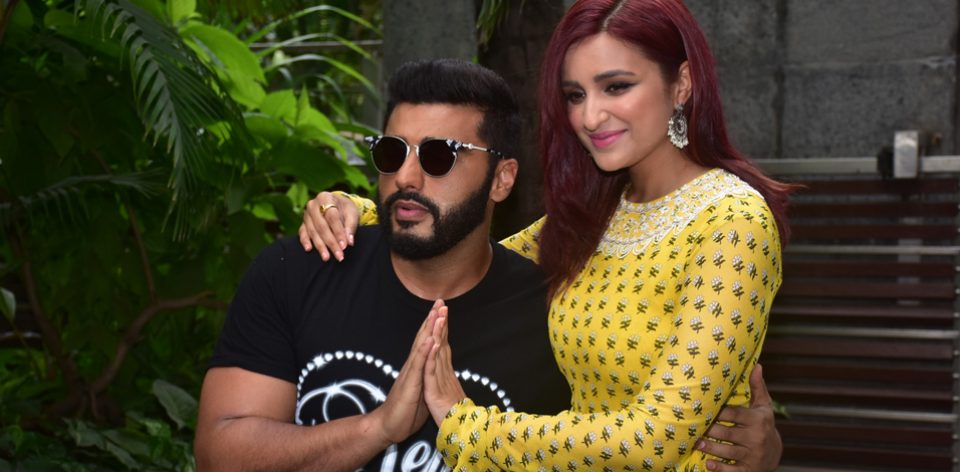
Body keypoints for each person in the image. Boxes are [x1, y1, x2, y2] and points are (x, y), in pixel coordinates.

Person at [297, 0, 792, 470]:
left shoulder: (732, 221)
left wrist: (465, 424)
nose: (590, 117)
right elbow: (474, 256)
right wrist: (356, 210)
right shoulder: (599, 214)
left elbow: (653, 439)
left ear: (681, 83)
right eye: (575, 95)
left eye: (616, 86)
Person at [194, 59, 573, 471]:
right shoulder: (298, 271)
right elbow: (219, 457)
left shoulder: (550, 315)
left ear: (501, 179)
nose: (406, 177)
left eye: (438, 156)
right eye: (392, 152)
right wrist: (377, 427)